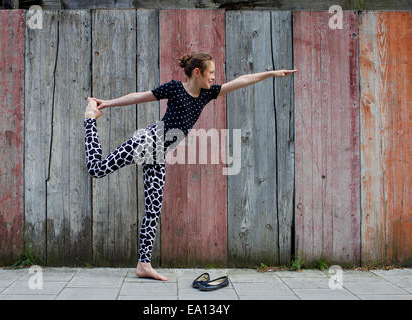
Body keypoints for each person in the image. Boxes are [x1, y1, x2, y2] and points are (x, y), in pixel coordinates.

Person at [84, 52, 297, 281]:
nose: (214, 77)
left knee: (153, 209)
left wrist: (271, 73)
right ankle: (89, 118)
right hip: (149, 140)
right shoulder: (175, 88)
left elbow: (240, 81)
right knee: (97, 169)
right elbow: (140, 96)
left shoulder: (206, 94)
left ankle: (143, 264)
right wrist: (107, 103)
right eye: (212, 72)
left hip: (158, 154)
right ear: (198, 72)